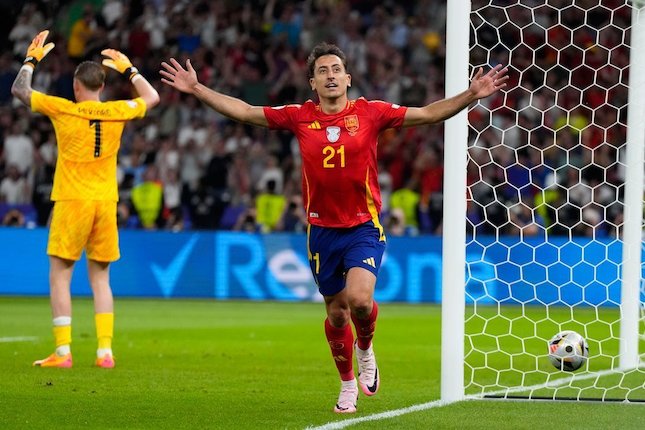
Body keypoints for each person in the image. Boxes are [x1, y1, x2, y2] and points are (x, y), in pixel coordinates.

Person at [160, 42, 507, 413]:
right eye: (323, 71)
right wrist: (197, 88)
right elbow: (245, 111)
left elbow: (426, 113)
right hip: (321, 229)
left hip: (363, 225)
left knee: (359, 300)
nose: (330, 75)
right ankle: (346, 384)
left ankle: (366, 349)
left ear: (348, 78)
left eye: (336, 69)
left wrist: (471, 95)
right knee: (336, 313)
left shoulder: (371, 113)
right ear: (313, 82)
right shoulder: (299, 115)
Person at [12, 30, 160, 368]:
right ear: (102, 87)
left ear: (77, 87)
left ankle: (63, 352)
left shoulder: (64, 108)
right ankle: (104, 351)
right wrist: (129, 68)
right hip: (105, 202)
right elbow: (152, 98)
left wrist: (31, 59)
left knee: (61, 274)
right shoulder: (119, 111)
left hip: (72, 199)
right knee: (101, 278)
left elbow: (20, 90)